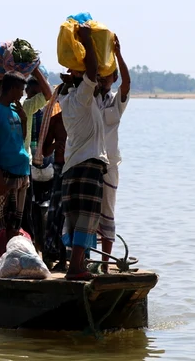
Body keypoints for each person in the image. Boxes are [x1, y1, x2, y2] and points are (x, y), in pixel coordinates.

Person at [59, 25, 109, 281]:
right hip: (89, 164)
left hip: (71, 167)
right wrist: (89, 42)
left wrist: (73, 79)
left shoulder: (66, 100)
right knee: (86, 219)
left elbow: (88, 79)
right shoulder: (80, 98)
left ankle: (75, 265)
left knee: (76, 218)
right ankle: (75, 268)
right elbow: (91, 71)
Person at [0, 71, 31, 272]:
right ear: (11, 89)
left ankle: (7, 263)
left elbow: (21, 138)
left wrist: (24, 119)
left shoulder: (15, 110)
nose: (22, 93)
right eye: (20, 89)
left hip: (21, 172)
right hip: (3, 173)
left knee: (14, 222)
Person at [96, 35, 131, 272]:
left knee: (107, 214)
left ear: (113, 77)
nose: (101, 79)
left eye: (105, 75)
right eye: (98, 76)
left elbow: (127, 85)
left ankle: (105, 265)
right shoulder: (87, 96)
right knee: (85, 214)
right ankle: (82, 260)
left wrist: (118, 53)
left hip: (109, 165)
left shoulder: (116, 101)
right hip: (88, 161)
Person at [19, 68, 52, 244]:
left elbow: (48, 94)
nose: (34, 98)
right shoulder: (21, 107)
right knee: (20, 211)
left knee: (26, 211)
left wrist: (35, 69)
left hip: (31, 163)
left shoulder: (30, 107)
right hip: (18, 165)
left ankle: (32, 244)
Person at [42, 99, 68, 271]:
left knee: (70, 214)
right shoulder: (56, 120)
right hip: (60, 168)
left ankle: (72, 259)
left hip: (75, 166)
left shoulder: (81, 117)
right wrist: (55, 146)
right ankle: (60, 258)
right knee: (57, 215)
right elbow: (44, 150)